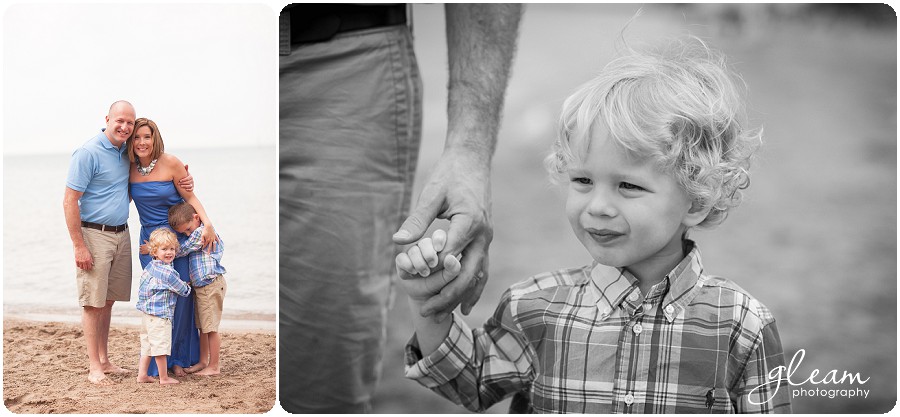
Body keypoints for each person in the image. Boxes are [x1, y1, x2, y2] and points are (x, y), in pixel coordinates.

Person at [397, 38, 792, 413]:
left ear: (697, 199)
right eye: (583, 180)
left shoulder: (741, 325)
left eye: (628, 186)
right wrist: (429, 305)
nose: (598, 206)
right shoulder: (534, 309)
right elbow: (470, 383)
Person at [279, 4, 522, 412]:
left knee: (320, 377)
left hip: (337, 52)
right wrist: (429, 315)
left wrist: (470, 148)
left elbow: (474, 385)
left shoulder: (537, 308)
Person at [64, 100, 192, 384]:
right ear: (107, 118)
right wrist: (78, 245)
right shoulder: (88, 152)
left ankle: (106, 361)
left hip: (122, 234)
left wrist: (183, 180)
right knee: (92, 303)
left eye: (129, 123)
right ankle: (94, 366)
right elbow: (70, 200)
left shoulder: (127, 153)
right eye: (119, 121)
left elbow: (146, 178)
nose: (124, 127)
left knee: (108, 302)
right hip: (93, 234)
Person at [129, 117, 217, 378]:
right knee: (157, 301)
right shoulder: (128, 166)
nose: (142, 142)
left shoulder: (171, 163)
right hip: (150, 244)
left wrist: (208, 223)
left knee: (181, 299)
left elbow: (189, 196)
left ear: (155, 138)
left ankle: (179, 358)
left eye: (147, 136)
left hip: (175, 241)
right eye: (136, 137)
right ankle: (160, 360)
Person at [168, 201, 227, 376]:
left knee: (211, 328)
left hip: (211, 285)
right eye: (184, 232)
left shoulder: (201, 232)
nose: (187, 233)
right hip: (202, 287)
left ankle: (214, 365)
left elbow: (182, 250)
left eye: (187, 229)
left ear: (196, 218)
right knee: (203, 326)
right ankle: (203, 361)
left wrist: (157, 249)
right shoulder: (195, 230)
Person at [135, 228, 192, 385]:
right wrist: (187, 286)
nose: (169, 252)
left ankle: (142, 375)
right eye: (164, 249)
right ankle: (163, 377)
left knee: (147, 346)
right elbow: (183, 290)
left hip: (147, 314)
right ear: (154, 251)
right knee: (160, 347)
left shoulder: (150, 267)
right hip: (160, 315)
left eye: (172, 249)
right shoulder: (168, 272)